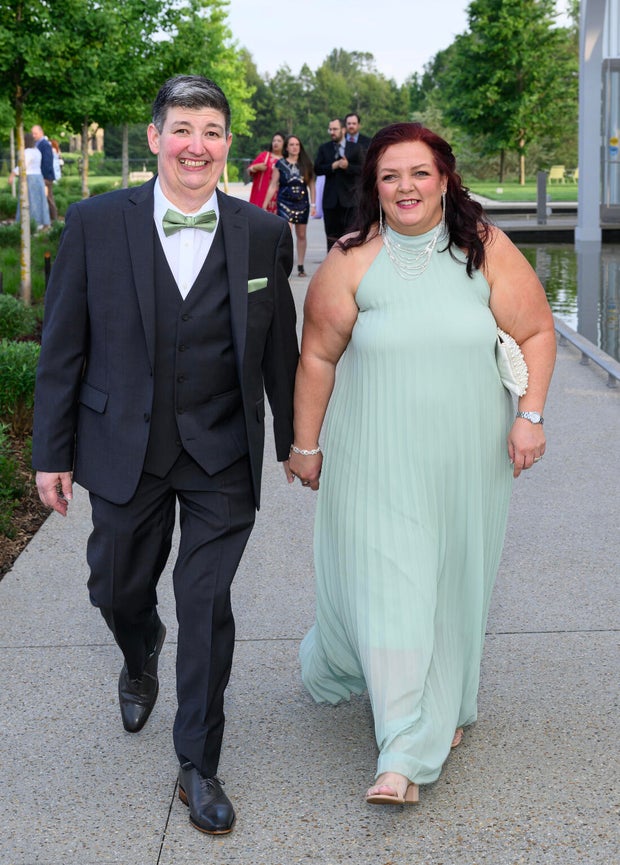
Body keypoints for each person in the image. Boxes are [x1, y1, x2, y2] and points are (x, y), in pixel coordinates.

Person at [32, 75, 299, 836]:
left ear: (227, 144)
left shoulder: (263, 233)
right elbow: (63, 345)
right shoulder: (92, 223)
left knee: (207, 603)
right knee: (115, 584)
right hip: (123, 446)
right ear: (155, 138)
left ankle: (198, 764)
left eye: (211, 130)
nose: (197, 145)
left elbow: (279, 348)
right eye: (182, 128)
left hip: (221, 454)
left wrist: (295, 441)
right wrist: (51, 450)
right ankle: (139, 643)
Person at [289, 122, 556, 806]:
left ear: (444, 179)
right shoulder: (351, 260)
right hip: (374, 454)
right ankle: (404, 751)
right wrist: (306, 443)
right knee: (395, 583)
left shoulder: (484, 250)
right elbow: (317, 355)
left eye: (419, 173)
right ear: (372, 186)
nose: (405, 187)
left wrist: (530, 417)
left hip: (469, 453)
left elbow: (535, 331)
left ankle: (452, 703)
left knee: (456, 581)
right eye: (389, 175)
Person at [263, 134, 316, 277]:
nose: (294, 147)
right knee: (287, 233)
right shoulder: (280, 164)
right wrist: (264, 205)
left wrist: (313, 204)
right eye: (291, 144)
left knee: (301, 234)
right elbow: (273, 185)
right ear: (287, 147)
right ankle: (284, 265)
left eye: (297, 144)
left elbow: (311, 184)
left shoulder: (306, 163)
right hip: (284, 202)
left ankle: (300, 266)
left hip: (302, 203)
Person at [314, 118, 363, 251]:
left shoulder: (355, 148)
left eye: (335, 129)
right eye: (330, 129)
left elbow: (362, 170)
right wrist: (333, 166)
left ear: (343, 130)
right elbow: (317, 169)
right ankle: (332, 266)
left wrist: (348, 166)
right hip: (330, 202)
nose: (332, 132)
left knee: (351, 237)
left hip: (350, 201)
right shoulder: (324, 148)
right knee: (331, 237)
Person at [12, 131, 51, 230]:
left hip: (30, 178)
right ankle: (41, 222)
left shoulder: (27, 152)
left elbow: (23, 166)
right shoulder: (37, 151)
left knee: (30, 200)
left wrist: (12, 174)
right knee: (39, 200)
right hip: (38, 177)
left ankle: (32, 223)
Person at [247, 131, 285, 213]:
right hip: (261, 195)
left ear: (284, 144)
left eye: (279, 141)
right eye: (274, 141)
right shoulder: (265, 156)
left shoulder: (286, 161)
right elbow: (249, 170)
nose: (276, 143)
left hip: (279, 197)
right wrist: (255, 167)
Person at [31, 124, 58, 221]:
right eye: (32, 133)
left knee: (48, 199)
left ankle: (54, 220)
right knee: (44, 199)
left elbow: (47, 162)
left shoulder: (45, 145)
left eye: (35, 133)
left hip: (46, 177)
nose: (33, 135)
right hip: (40, 176)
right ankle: (47, 220)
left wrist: (43, 177)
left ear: (41, 133)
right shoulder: (37, 144)